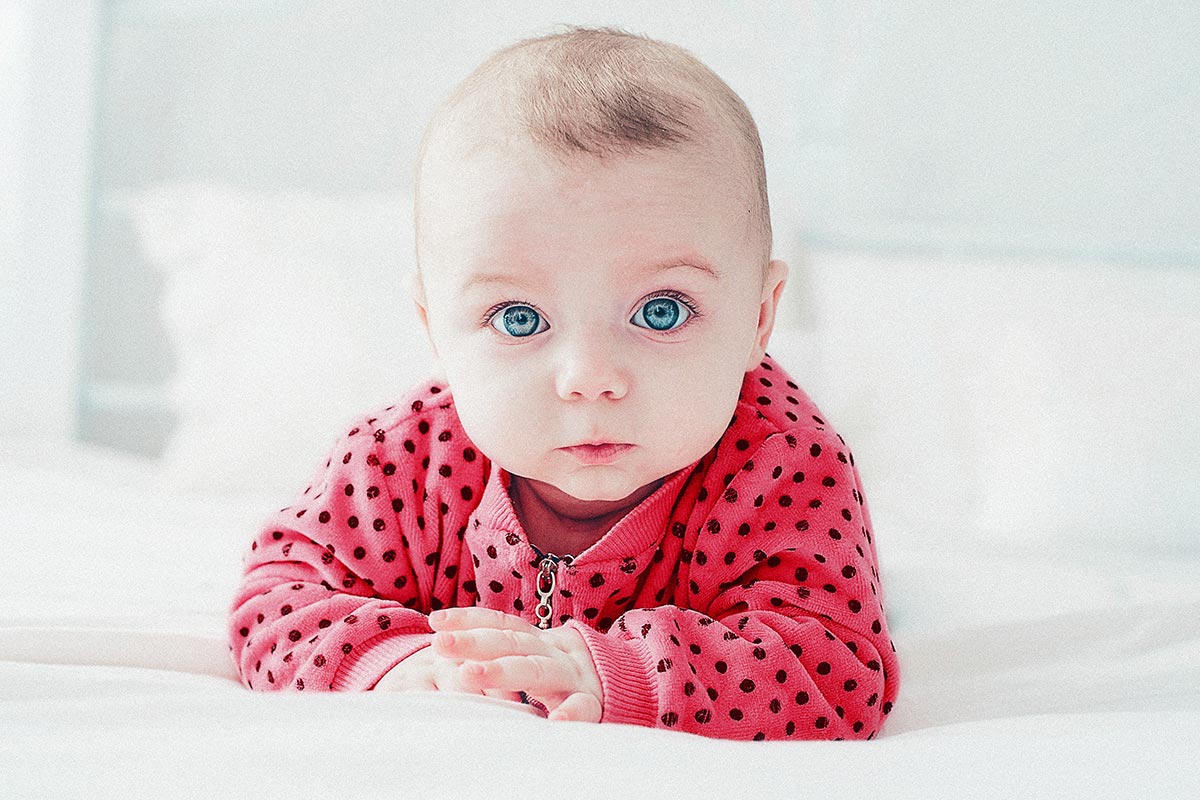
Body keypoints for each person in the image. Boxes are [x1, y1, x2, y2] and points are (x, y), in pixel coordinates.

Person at [228, 24, 899, 741]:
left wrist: (621, 673)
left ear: (759, 320)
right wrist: (397, 661)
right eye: (519, 319)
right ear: (434, 329)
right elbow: (277, 598)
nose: (590, 379)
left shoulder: (783, 463)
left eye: (661, 312)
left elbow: (835, 665)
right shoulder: (402, 462)